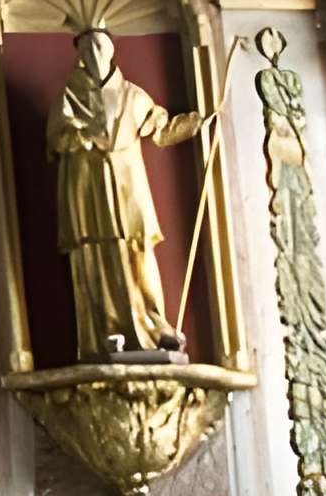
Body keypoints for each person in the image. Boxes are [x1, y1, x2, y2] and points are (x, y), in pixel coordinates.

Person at [48, 23, 207, 354]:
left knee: (136, 253)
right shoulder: (69, 97)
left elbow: (160, 130)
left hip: (126, 186)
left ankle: (154, 326)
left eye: (100, 47)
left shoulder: (133, 96)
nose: (94, 55)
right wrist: (83, 136)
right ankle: (104, 331)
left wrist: (196, 122)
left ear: (111, 51)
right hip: (87, 187)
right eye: (87, 49)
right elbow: (56, 138)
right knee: (95, 256)